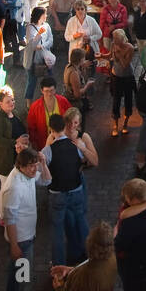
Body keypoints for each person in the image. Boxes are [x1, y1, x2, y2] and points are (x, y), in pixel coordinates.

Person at [0, 147, 52, 291]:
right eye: (31, 166)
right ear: (20, 166)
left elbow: (46, 181)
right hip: (22, 239)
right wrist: (15, 245)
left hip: (27, 235)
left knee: (15, 274)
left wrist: (43, 163)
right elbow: (10, 218)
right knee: (24, 279)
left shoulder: (27, 174)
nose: (34, 169)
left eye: (35, 165)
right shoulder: (14, 187)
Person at [44, 110, 98, 266]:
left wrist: (82, 147)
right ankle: (78, 255)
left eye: (76, 123)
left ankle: (80, 255)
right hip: (68, 185)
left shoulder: (83, 137)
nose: (73, 126)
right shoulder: (54, 138)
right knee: (72, 222)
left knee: (77, 222)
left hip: (74, 184)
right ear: (64, 123)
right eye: (70, 123)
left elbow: (95, 161)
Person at [52, 222, 118, 291]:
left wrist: (59, 288)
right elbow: (90, 264)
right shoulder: (112, 259)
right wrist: (72, 270)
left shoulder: (84, 277)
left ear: (90, 244)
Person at [26, 79, 73, 151]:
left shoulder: (63, 101)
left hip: (63, 139)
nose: (50, 94)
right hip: (44, 143)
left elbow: (71, 117)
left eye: (52, 90)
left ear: (55, 90)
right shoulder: (34, 107)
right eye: (46, 91)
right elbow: (31, 128)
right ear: (42, 91)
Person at [0, 87, 27, 177]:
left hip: (18, 157)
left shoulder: (14, 112)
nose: (12, 103)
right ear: (0, 103)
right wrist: (16, 142)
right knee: (7, 187)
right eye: (8, 101)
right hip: (6, 160)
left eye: (12, 100)